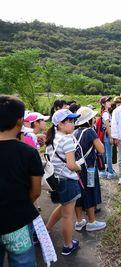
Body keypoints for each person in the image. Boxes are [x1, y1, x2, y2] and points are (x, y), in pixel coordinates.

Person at [0, 95, 43, 267]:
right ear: (20, 121)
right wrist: (21, 205)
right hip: (18, 222)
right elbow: (36, 191)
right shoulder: (28, 153)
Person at [45, 109, 82, 256]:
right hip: (67, 182)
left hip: (56, 182)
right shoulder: (67, 140)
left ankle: (46, 229)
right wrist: (79, 167)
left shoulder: (53, 138)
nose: (73, 124)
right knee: (68, 215)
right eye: (70, 121)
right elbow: (71, 165)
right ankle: (68, 245)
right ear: (60, 124)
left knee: (63, 208)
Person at [73, 107, 107, 231]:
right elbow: (101, 149)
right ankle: (91, 222)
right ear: (89, 119)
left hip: (76, 169)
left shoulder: (74, 132)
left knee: (79, 195)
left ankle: (79, 221)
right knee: (90, 192)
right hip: (89, 169)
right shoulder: (89, 131)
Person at [99, 96, 117, 179]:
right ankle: (110, 172)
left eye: (109, 101)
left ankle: (103, 171)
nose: (109, 102)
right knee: (109, 154)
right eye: (107, 101)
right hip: (107, 135)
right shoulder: (106, 113)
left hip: (105, 136)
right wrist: (111, 137)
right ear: (103, 104)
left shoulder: (104, 112)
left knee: (104, 154)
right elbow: (107, 126)